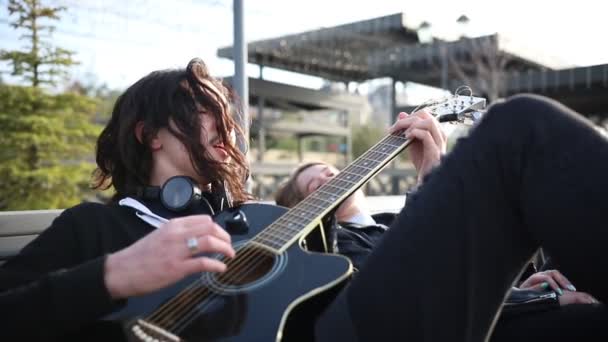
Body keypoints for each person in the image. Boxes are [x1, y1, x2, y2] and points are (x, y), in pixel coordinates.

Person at [1, 57, 606, 341]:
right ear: (149, 132)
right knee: (521, 129)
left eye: (225, 113)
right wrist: (115, 273)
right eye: (202, 109)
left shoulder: (261, 220)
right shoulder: (95, 230)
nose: (225, 124)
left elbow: (372, 271)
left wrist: (435, 181)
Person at [277, 160, 602, 340]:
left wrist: (517, 288)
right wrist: (539, 301)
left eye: (330, 172)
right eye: (315, 185)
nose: (329, 180)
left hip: (509, 302)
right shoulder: (334, 254)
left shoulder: (390, 221)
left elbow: (469, 264)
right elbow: (426, 292)